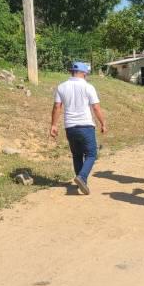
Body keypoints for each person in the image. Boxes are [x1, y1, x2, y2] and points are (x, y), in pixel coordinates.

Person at [49, 62, 107, 195]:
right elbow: (96, 107)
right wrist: (103, 123)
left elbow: (57, 106)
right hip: (85, 125)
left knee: (77, 155)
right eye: (86, 73)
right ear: (83, 73)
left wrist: (53, 125)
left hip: (70, 127)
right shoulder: (88, 87)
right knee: (92, 154)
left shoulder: (62, 86)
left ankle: (82, 182)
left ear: (72, 72)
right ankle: (81, 177)